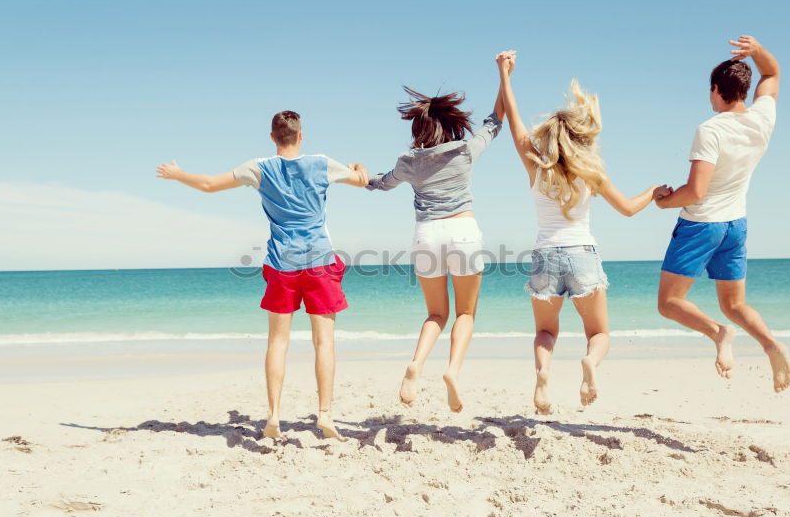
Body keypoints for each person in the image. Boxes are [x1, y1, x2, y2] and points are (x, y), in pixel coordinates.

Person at [156, 110, 369, 441]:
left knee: (278, 342)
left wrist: (177, 173)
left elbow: (210, 185)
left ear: (273, 137)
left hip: (282, 264)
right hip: (319, 263)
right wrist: (358, 168)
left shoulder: (259, 167)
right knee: (324, 341)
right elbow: (363, 181)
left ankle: (273, 416)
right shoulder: (322, 163)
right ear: (301, 136)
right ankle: (325, 415)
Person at [496, 50, 671, 411]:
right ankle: (590, 364)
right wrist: (653, 192)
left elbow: (514, 121)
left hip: (545, 256)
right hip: (582, 256)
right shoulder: (593, 172)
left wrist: (505, 75)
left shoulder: (537, 167)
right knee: (599, 334)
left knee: (545, 332)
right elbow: (626, 209)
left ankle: (543, 376)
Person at [655, 36, 790, 393]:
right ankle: (771, 346)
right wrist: (758, 51)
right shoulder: (762, 119)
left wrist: (664, 201)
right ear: (744, 91)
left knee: (669, 303)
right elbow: (773, 73)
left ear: (716, 90)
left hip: (701, 225)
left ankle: (718, 332)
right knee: (735, 304)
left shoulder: (710, 129)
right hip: (736, 225)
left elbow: (696, 191)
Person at [366, 79, 505, 412]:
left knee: (436, 313)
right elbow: (495, 122)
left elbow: (382, 183)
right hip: (463, 231)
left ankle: (416, 365)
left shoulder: (408, 161)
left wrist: (362, 178)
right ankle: (453, 371)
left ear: (420, 128)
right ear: (451, 123)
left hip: (427, 235)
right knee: (466, 313)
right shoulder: (466, 151)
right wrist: (504, 77)